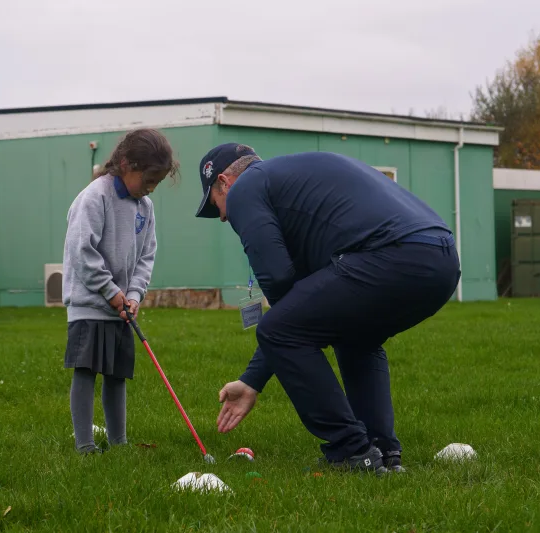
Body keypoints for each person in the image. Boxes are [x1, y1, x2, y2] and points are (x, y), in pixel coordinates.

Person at [194, 143, 461, 475]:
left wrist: (259, 369)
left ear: (225, 181)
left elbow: (279, 284)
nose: (222, 216)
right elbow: (301, 300)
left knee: (278, 329)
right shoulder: (298, 181)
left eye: (216, 204)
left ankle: (350, 451)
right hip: (442, 261)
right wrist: (253, 379)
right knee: (355, 337)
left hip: (392, 254)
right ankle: (381, 452)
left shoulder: (245, 189)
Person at [62, 128, 178, 454]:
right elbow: (82, 253)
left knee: (116, 375)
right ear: (126, 164)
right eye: (148, 180)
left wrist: (135, 295)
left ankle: (119, 442)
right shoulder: (94, 197)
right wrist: (111, 292)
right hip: (90, 303)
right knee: (86, 371)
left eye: (156, 183)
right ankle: (84, 445)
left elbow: (146, 257)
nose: (151, 188)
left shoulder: (145, 208)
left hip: (121, 307)